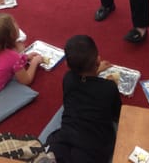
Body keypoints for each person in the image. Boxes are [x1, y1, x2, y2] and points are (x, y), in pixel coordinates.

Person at [46, 35, 121, 163]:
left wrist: (96, 72)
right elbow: (117, 115)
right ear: (98, 61)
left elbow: (83, 81)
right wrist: (107, 82)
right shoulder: (109, 87)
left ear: (66, 65)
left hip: (65, 139)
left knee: (56, 150)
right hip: (94, 148)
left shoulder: (68, 79)